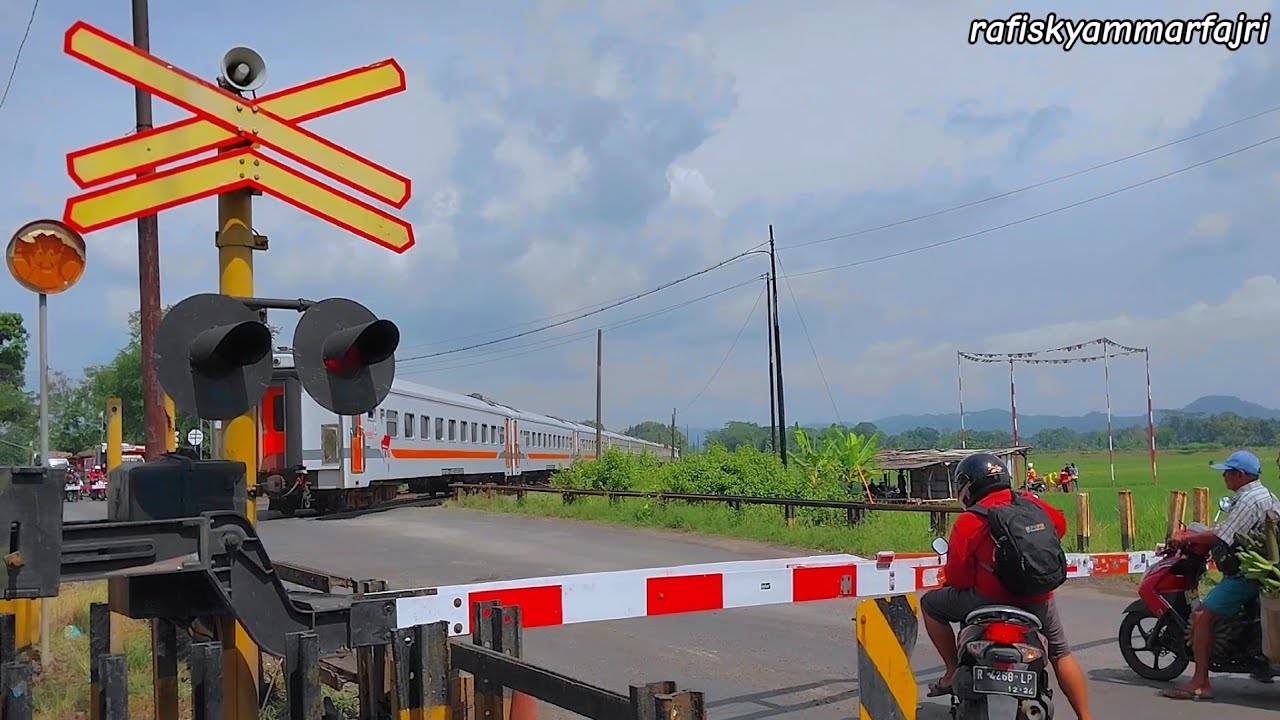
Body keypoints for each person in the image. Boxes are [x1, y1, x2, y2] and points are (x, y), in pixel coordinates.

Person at [921, 452, 1094, 720]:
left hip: (985, 601)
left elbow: (957, 578)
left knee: (930, 605)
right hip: (1038, 599)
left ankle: (952, 670)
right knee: (1060, 653)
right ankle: (1085, 717)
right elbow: (1059, 527)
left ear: (969, 485)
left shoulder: (970, 520)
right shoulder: (1032, 505)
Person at [1161, 450, 1280, 701]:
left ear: (1240, 475)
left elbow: (1220, 537)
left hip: (1246, 575)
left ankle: (1200, 682)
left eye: (1227, 472)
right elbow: (1233, 529)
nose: (1224, 477)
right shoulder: (1265, 494)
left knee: (1202, 615)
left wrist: (1188, 537)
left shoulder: (1248, 500)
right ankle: (1259, 663)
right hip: (1261, 568)